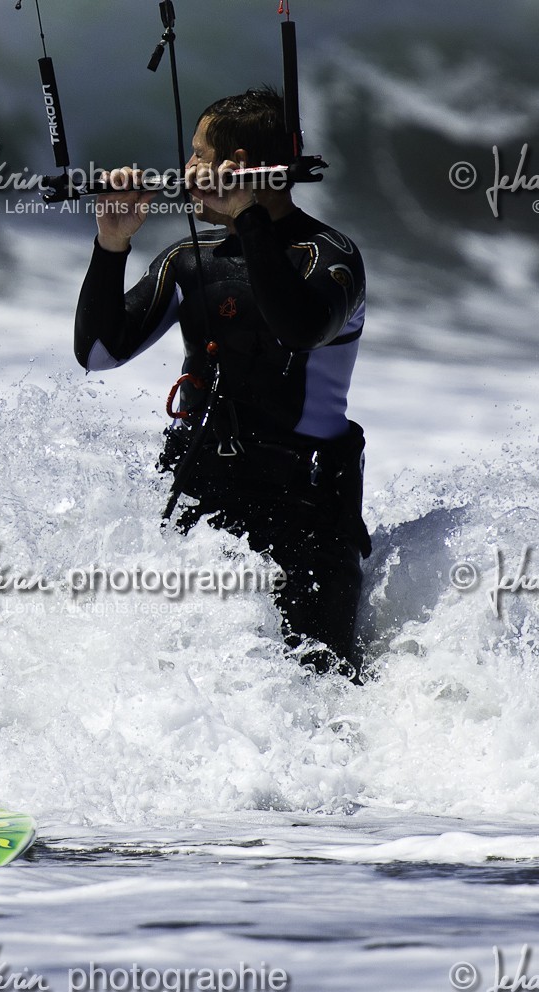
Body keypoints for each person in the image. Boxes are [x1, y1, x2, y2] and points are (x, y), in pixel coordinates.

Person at [72, 87, 371, 678]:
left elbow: (300, 327)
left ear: (235, 167)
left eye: (197, 155)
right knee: (177, 697)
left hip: (305, 517)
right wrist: (112, 244)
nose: (185, 170)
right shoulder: (191, 260)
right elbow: (99, 352)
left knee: (316, 701)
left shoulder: (329, 260)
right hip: (206, 505)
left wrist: (250, 215)